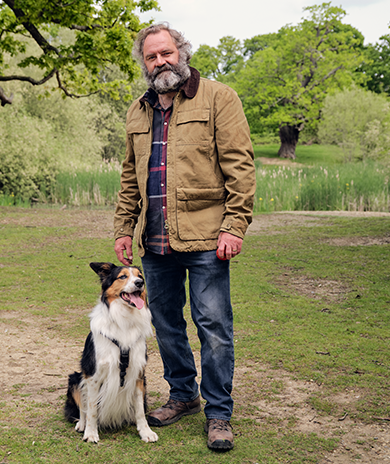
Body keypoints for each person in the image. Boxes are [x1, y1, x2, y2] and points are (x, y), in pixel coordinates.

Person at [112, 22, 256, 452]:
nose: (160, 62)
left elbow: (240, 166)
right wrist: (123, 227)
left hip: (209, 238)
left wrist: (235, 225)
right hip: (155, 243)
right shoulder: (138, 110)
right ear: (145, 63)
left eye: (166, 53)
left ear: (182, 52)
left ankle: (218, 413)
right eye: (151, 57)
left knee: (213, 326)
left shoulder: (218, 98)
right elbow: (130, 178)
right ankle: (182, 396)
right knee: (167, 324)